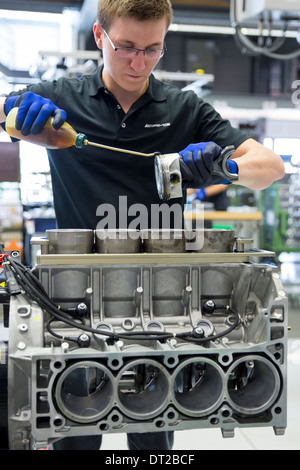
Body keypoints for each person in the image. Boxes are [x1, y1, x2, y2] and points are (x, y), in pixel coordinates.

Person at [0, 0, 284, 450]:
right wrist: (12, 108)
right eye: (126, 47)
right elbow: (7, 114)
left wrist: (225, 165)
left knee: (153, 428)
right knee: (75, 430)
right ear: (99, 37)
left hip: (163, 298)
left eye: (153, 49)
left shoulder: (185, 110)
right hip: (76, 299)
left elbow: (271, 168)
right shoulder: (65, 99)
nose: (139, 62)